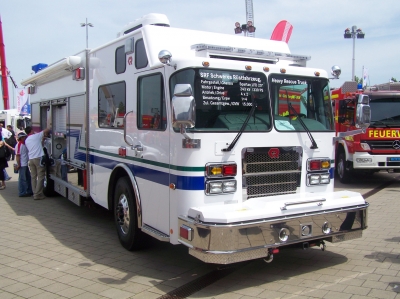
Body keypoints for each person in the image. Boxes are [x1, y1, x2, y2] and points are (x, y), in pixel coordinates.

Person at [25, 126, 51, 200]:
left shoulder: (27, 139)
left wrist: (42, 140)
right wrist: (51, 125)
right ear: (31, 131)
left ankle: (34, 192)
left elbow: (39, 145)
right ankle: (38, 194)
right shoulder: (35, 136)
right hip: (38, 158)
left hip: (31, 158)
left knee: (33, 177)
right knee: (41, 176)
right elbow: (46, 129)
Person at [14, 132, 33, 197]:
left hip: (25, 163)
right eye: (24, 137)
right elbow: (17, 155)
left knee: (28, 177)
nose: (26, 138)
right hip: (22, 164)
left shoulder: (24, 144)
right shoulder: (19, 145)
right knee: (22, 179)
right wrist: (19, 164)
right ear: (21, 138)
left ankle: (28, 190)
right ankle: (22, 192)